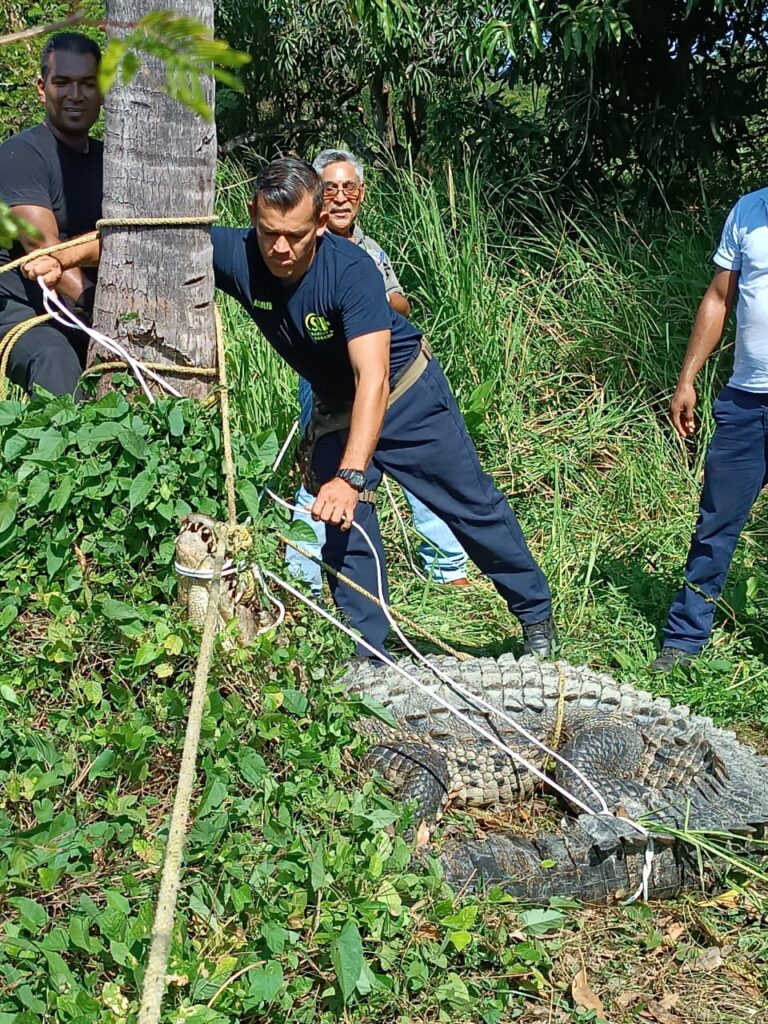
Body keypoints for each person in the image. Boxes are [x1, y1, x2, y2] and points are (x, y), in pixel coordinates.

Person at [24, 158, 557, 664]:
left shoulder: (352, 272)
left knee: (469, 505)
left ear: (321, 222)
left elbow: (373, 378)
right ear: (253, 215)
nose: (280, 248)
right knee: (342, 522)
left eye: (296, 236)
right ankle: (369, 652)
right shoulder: (238, 253)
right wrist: (64, 258)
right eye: (269, 232)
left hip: (403, 396)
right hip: (335, 405)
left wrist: (350, 475)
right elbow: (148, 240)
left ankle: (535, 614)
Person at [285, 148, 470, 594]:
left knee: (415, 460)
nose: (340, 197)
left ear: (362, 194)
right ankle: (301, 576)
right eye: (330, 188)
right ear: (314, 195)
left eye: (349, 188)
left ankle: (446, 566)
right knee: (322, 466)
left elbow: (400, 303)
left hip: (382, 371)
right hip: (326, 377)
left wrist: (370, 298)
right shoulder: (302, 246)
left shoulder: (371, 251)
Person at [650, 187, 768, 672]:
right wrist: (687, 379)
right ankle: (684, 639)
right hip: (745, 403)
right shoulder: (749, 210)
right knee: (715, 524)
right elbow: (719, 298)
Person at [0, 32, 102, 398]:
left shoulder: (115, 164)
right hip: (26, 311)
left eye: (87, 84)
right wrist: (97, 309)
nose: (76, 95)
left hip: (86, 312)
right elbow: (44, 251)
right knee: (55, 358)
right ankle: (60, 438)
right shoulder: (20, 155)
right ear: (42, 89)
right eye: (63, 83)